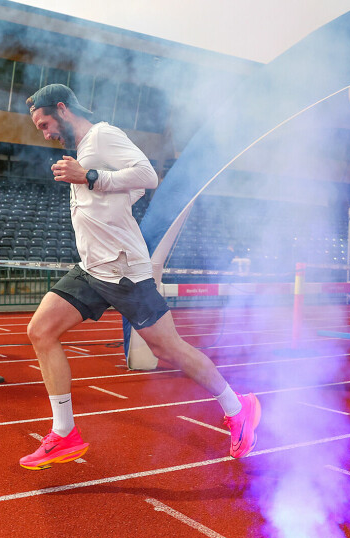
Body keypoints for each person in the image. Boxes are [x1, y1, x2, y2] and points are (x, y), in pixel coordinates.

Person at [19, 84, 259, 470]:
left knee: (169, 349)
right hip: (91, 268)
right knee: (41, 331)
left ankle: (238, 407)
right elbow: (124, 193)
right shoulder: (82, 150)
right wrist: (96, 180)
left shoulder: (102, 136)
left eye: (45, 123)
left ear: (62, 109)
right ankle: (65, 434)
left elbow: (148, 176)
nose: (45, 133)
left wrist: (91, 176)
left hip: (124, 271)